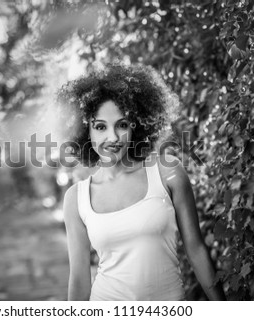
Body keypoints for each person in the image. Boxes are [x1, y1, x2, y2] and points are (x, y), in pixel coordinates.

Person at [57, 63, 226, 301]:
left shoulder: (167, 173)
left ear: (137, 127)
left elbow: (197, 251)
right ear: (86, 133)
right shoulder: (76, 198)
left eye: (122, 125)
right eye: (100, 127)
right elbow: (79, 279)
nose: (112, 137)